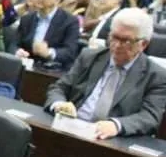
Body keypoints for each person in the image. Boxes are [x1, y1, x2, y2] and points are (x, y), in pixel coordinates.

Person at [46, 8, 166, 138]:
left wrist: (116, 125)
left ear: (143, 44)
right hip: (72, 128)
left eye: (126, 41)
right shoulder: (89, 57)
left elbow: (150, 116)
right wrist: (59, 104)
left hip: (112, 140)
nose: (117, 45)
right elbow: (59, 87)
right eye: (114, 37)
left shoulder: (156, 76)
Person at [15, 0, 79, 69]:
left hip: (52, 70)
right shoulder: (27, 19)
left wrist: (48, 52)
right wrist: (17, 51)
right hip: (26, 66)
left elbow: (70, 52)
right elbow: (15, 43)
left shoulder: (69, 21)